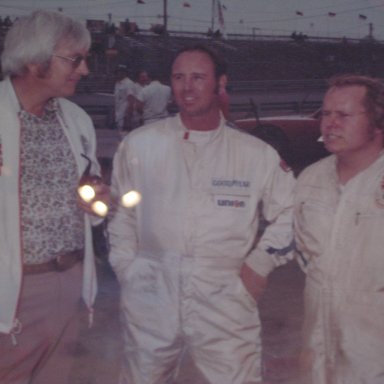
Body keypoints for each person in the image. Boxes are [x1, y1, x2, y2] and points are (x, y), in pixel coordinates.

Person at [108, 44, 296, 384]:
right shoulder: (140, 145)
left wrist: (258, 266)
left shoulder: (254, 155)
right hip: (151, 291)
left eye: (198, 77)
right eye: (179, 77)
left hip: (224, 295)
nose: (187, 87)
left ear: (220, 83)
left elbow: (292, 213)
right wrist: (126, 266)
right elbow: (122, 211)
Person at [0, 10, 109, 384]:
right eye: (74, 59)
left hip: (70, 278)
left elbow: (91, 196)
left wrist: (97, 198)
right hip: (13, 290)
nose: (84, 70)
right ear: (33, 58)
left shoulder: (76, 118)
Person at [294, 74, 384, 383]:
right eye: (326, 114)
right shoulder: (309, 180)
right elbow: (305, 253)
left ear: (377, 123)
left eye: (343, 115)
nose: (330, 123)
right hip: (318, 353)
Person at [114, 64, 136, 133]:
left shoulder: (129, 83)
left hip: (125, 117)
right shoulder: (117, 83)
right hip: (119, 115)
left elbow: (131, 100)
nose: (119, 73)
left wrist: (128, 117)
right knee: (120, 137)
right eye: (118, 71)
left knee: (125, 138)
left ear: (125, 73)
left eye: (121, 71)